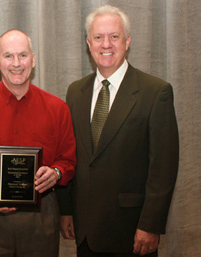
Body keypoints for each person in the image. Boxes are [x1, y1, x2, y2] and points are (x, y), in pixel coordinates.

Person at [56, 5, 179, 257]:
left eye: (114, 36)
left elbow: (163, 167)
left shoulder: (155, 92)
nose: (106, 44)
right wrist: (66, 209)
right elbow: (70, 154)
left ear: (127, 41)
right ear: (88, 43)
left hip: (131, 230)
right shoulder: (75, 92)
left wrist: (150, 225)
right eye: (98, 37)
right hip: (85, 230)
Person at [0, 29, 76, 257]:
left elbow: (69, 161)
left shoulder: (57, 109)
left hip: (42, 216)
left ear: (33, 60)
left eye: (23, 55)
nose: (16, 63)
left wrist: (56, 173)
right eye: (8, 56)